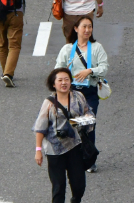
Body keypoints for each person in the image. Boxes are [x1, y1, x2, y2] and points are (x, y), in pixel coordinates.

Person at [33, 68, 94, 203]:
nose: (63, 83)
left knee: (79, 185)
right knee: (58, 186)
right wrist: (38, 150)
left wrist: (85, 121)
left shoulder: (78, 97)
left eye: (66, 79)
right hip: (54, 149)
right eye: (60, 80)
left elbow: (88, 113)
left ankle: (75, 200)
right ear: (53, 84)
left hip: (75, 145)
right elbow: (40, 127)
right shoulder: (48, 103)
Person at [55, 15, 109, 162]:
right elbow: (57, 70)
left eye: (89, 27)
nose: (87, 30)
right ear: (76, 29)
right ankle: (73, 156)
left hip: (89, 93)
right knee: (72, 125)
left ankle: (89, 158)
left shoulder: (97, 48)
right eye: (84, 26)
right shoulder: (67, 49)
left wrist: (90, 71)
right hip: (71, 92)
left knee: (88, 124)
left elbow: (104, 67)